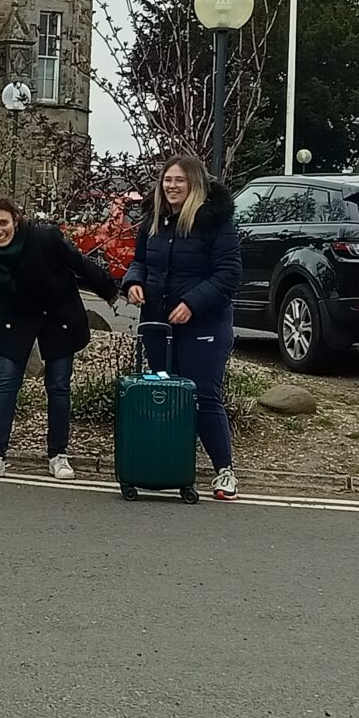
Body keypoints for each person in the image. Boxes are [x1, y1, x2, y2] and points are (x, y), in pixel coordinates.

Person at [121, 153, 243, 500]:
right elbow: (140, 261)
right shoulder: (154, 220)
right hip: (158, 322)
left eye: (180, 180)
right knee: (167, 396)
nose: (172, 186)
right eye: (167, 180)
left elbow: (229, 274)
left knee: (203, 395)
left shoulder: (215, 223)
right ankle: (168, 466)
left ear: (195, 185)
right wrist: (133, 282)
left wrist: (192, 303)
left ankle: (224, 470)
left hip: (204, 322)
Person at [0, 196, 119, 481]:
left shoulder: (46, 239)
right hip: (18, 314)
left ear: (16, 219)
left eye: (3, 222)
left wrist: (109, 291)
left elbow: (80, 263)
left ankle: (58, 454)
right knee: (6, 383)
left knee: (58, 385)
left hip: (58, 312)